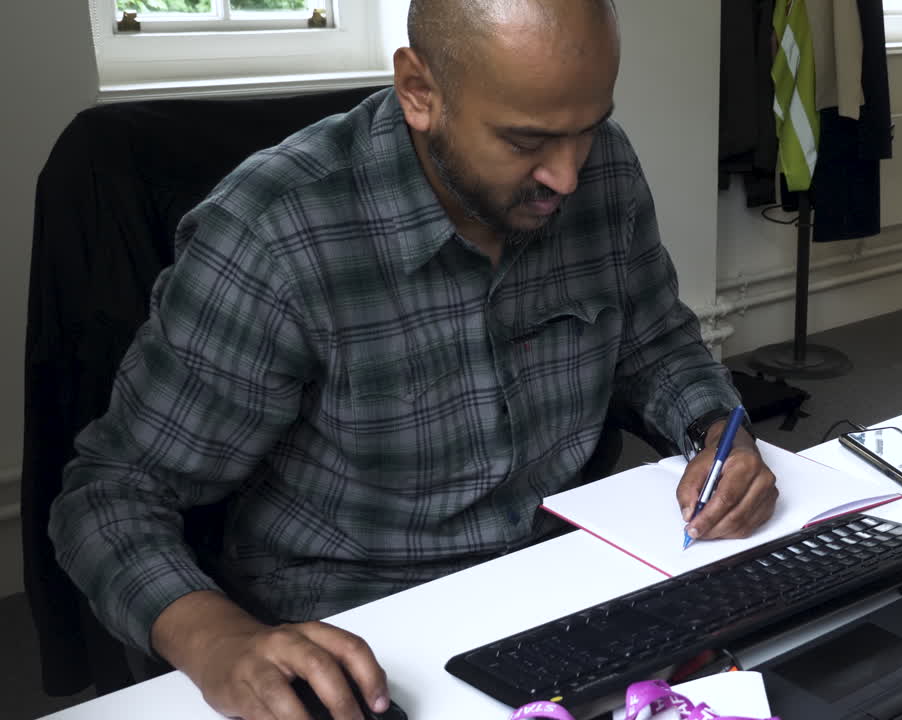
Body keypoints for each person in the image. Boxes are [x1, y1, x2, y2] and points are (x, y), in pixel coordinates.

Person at [49, 1, 779, 718]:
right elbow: (111, 494)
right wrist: (218, 642)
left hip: (571, 585)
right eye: (526, 141)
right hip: (367, 636)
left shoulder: (605, 168)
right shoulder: (275, 235)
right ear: (419, 93)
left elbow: (654, 343)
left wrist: (717, 432)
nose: (567, 175)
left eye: (586, 129)